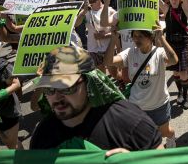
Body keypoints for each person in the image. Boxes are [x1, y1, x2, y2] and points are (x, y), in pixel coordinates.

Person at [30, 46, 163, 153]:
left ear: (89, 83)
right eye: (49, 89)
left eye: (66, 88)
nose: (57, 97)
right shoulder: (43, 133)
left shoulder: (129, 122)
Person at [104, 25, 178, 148]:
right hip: (137, 107)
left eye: (141, 36)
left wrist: (162, 38)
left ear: (150, 37)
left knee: (165, 132)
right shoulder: (130, 53)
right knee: (144, 138)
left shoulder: (159, 53)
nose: (136, 39)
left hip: (158, 105)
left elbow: (174, 60)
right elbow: (108, 62)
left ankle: (171, 137)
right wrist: (113, 39)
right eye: (134, 36)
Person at [159, 0, 188, 109]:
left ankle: (185, 94)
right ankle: (179, 93)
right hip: (171, 44)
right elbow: (157, 0)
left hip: (183, 43)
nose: (173, 0)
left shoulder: (184, 9)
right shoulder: (167, 9)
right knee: (175, 71)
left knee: (183, 71)